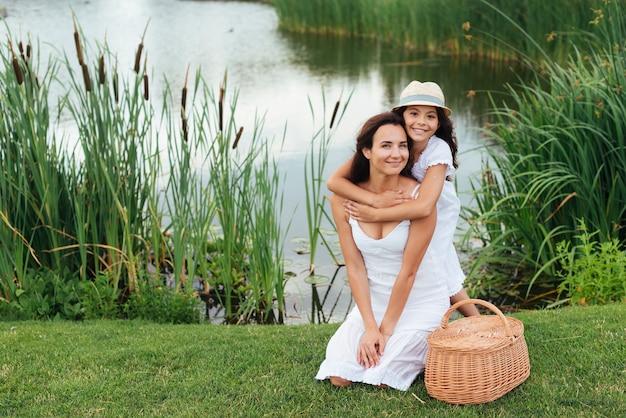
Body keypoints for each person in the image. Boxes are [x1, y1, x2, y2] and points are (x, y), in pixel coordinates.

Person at [315, 111, 448, 391]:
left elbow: (409, 272)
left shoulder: (419, 200)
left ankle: (421, 345)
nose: (396, 154)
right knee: (339, 376)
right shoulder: (343, 201)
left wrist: (385, 331)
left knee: (382, 378)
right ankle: (375, 336)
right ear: (366, 150)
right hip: (374, 303)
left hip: (419, 302)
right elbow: (355, 267)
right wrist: (370, 326)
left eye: (402, 145)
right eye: (386, 145)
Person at [327, 80, 479, 317]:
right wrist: (374, 200)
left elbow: (425, 206)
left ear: (439, 123)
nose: (421, 122)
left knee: (438, 265)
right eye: (414, 113)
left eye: (431, 116)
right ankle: (410, 310)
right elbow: (334, 183)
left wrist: (376, 214)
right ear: (401, 115)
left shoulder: (437, 149)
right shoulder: (392, 140)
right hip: (406, 205)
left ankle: (476, 320)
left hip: (435, 207)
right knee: (414, 263)